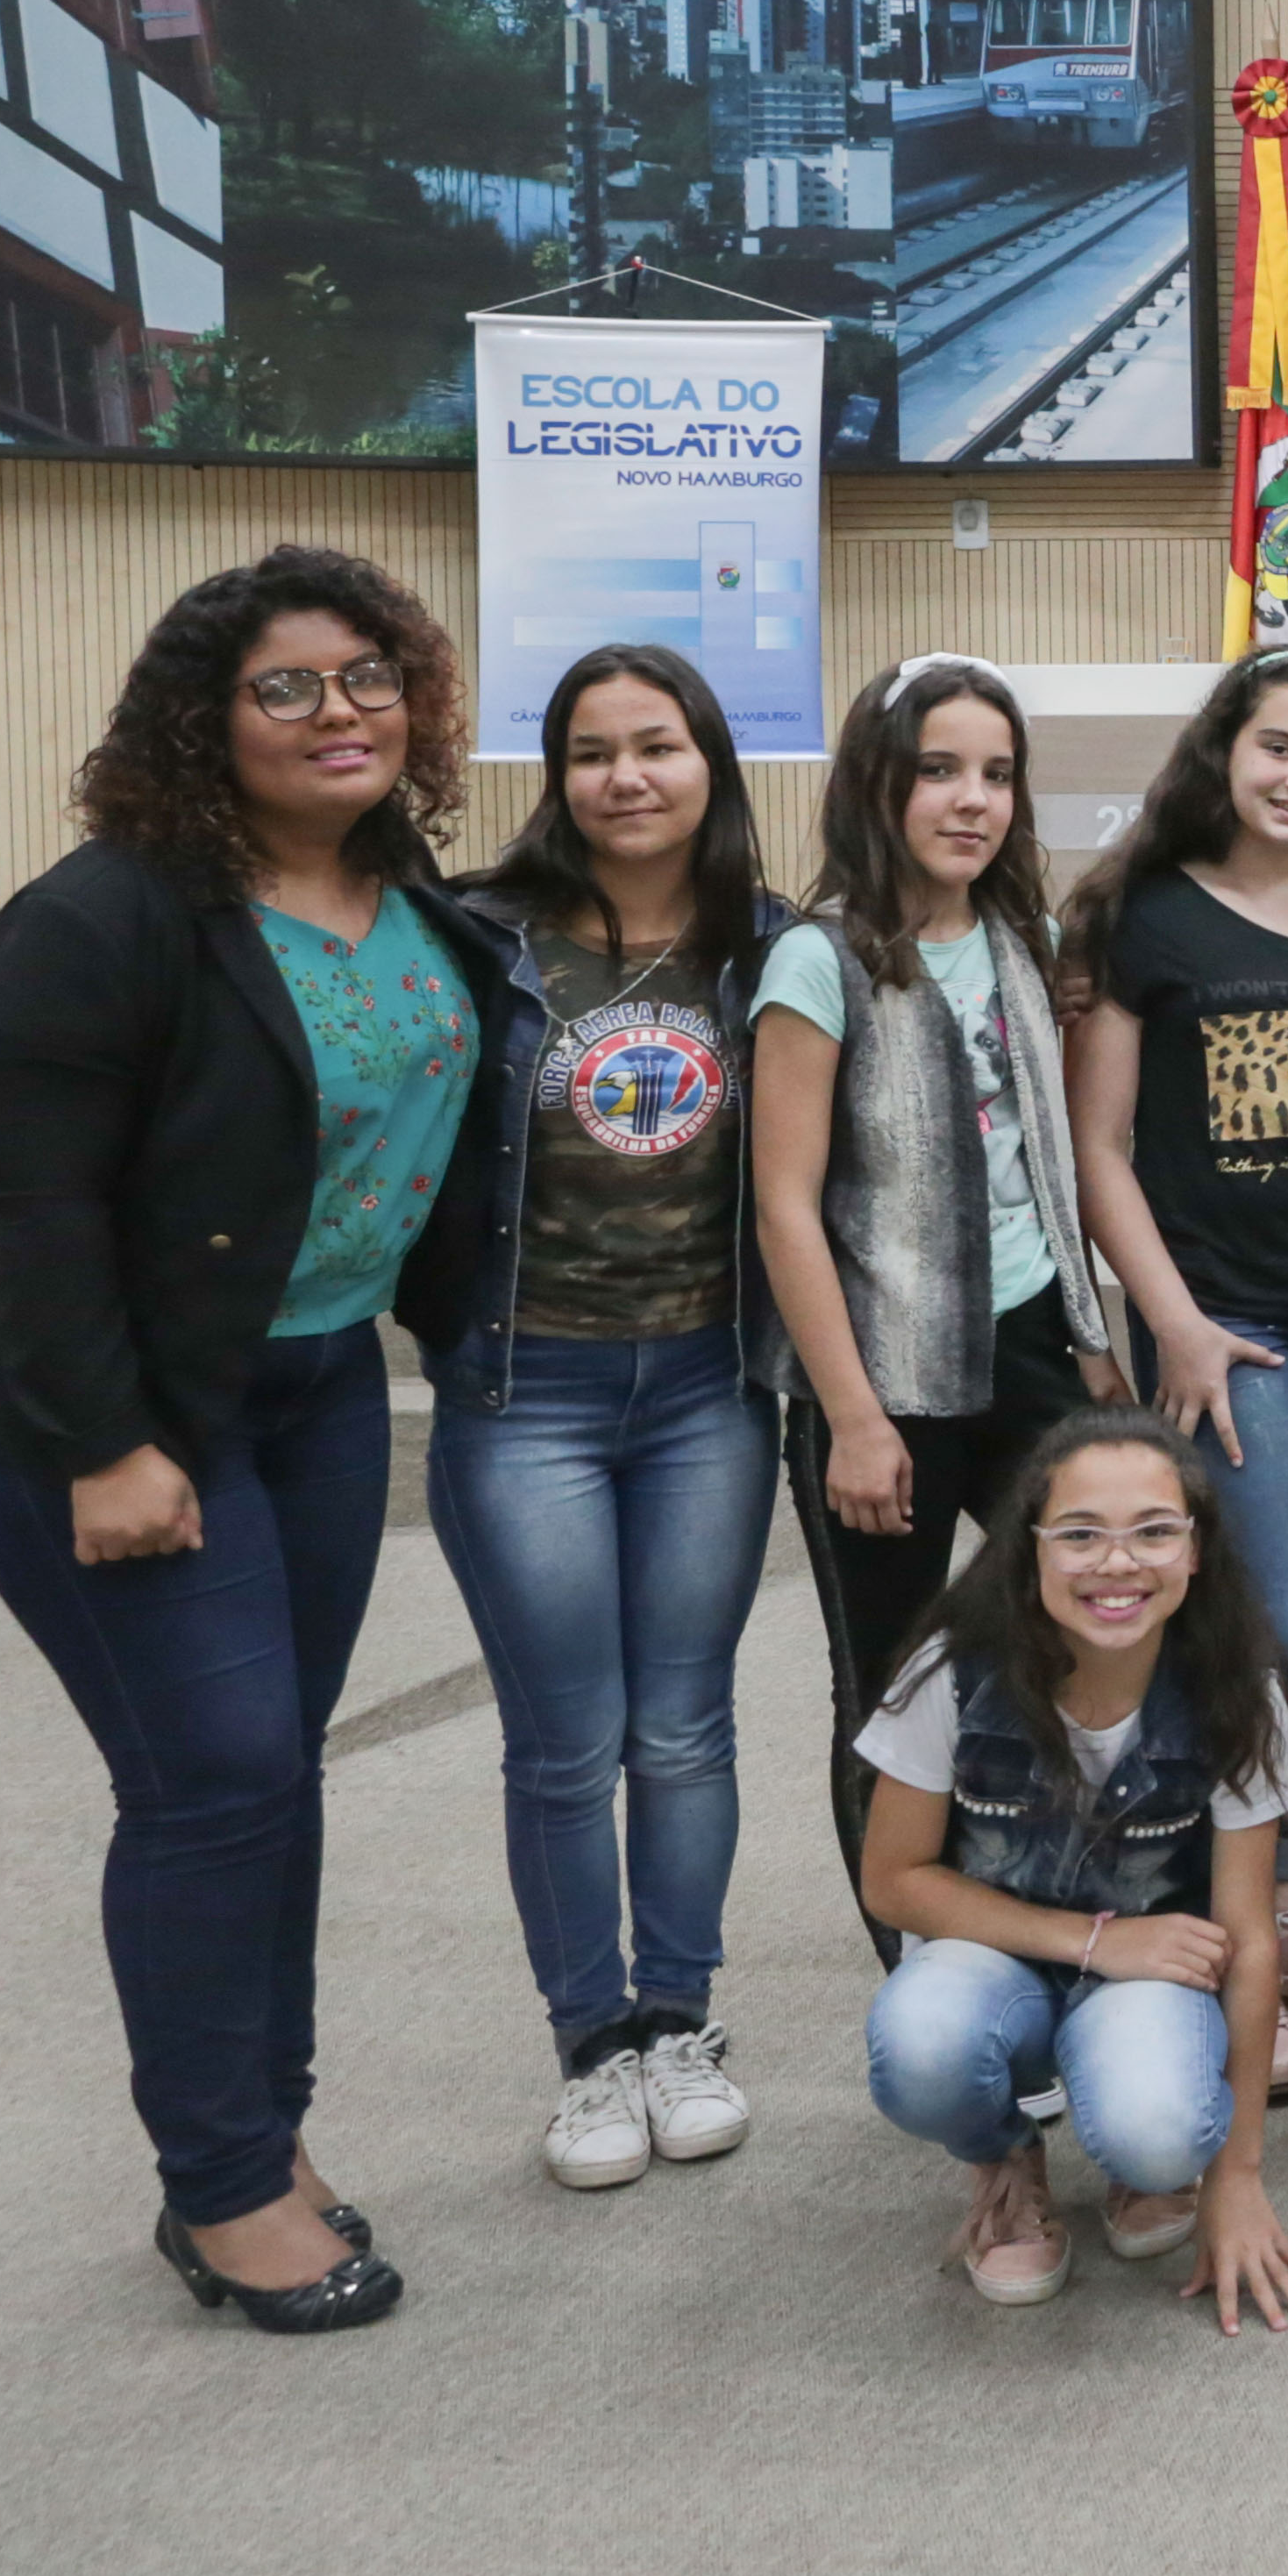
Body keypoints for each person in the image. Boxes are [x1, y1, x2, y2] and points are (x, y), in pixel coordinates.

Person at [0, 548, 509, 2333]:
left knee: (269, 1777)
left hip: (321, 1388)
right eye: (288, 685)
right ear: (206, 715)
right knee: (213, 1783)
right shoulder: (106, 912)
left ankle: (266, 2129)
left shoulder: (410, 888)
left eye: (369, 676)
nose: (340, 712)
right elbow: (32, 1206)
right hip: (104, 1416)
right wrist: (111, 1443)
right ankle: (221, 2181)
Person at [421, 643, 788, 2194]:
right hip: (530, 1391)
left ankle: (681, 2021)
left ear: (710, 759)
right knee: (566, 1740)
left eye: (657, 743)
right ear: (555, 776)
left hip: (708, 1380)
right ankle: (592, 2045)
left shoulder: (768, 947)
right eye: (590, 750)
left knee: (683, 1723)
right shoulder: (478, 935)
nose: (626, 775)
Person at [1068, 650, 1288, 2046]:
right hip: (1221, 1319)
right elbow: (1100, 1150)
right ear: (1226, 750)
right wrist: (1172, 1322)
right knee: (1266, 1618)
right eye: (1278, 747)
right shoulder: (1145, 917)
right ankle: (1229, 1931)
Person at [751, 655, 1130, 1972]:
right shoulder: (819, 959)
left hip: (1030, 1343)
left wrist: (1093, 1347)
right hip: (889, 1379)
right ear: (879, 781)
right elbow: (788, 1209)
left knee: (1102, 1626)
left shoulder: (1019, 940)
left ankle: (1092, 1928)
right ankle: (926, 1982)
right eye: (938, 770)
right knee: (894, 1695)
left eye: (996, 773)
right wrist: (851, 1417)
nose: (972, 800)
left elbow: (1048, 1165)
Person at [853, 1413, 1288, 2329]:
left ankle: (1137, 2163)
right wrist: (1096, 1941)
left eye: (1153, 1531)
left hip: (1156, 1981)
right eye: (1080, 1535)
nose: (1117, 1564)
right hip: (996, 1962)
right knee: (921, 2050)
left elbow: (1254, 1938)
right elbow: (894, 1881)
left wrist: (1239, 2177)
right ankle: (1005, 2154)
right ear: (1030, 1552)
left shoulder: (1238, 1689)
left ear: (1196, 1552)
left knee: (1158, 2130)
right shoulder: (949, 1672)